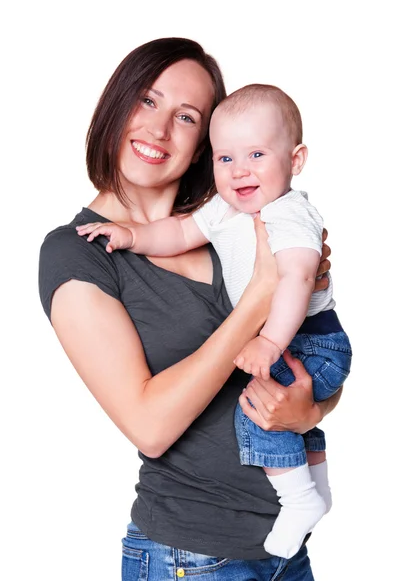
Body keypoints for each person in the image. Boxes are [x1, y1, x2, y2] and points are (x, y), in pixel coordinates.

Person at [39, 37, 337, 580]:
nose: (158, 129)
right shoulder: (75, 253)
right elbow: (149, 425)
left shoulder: (237, 220)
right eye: (147, 101)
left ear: (205, 142)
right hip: (189, 556)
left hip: (284, 551)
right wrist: (259, 297)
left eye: (186, 116)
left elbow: (309, 358)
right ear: (116, 105)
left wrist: (309, 412)